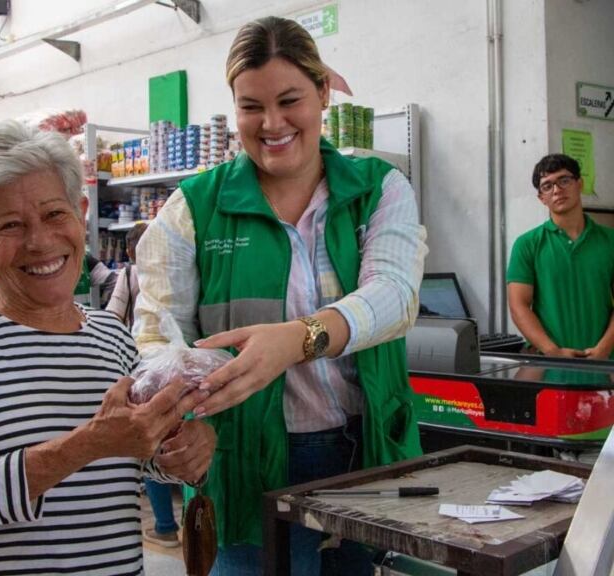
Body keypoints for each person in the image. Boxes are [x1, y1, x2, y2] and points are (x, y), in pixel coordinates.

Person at [134, 16, 427, 576]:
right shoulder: (193, 208)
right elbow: (157, 334)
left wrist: (298, 339)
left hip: (365, 454)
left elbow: (393, 294)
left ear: (323, 93)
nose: (272, 124)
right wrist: (178, 419)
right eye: (251, 107)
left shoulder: (378, 189)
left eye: (290, 100)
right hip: (245, 460)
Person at [0, 120, 216, 575]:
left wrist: (181, 453)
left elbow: (132, 461)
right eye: (10, 225)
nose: (40, 241)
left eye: (54, 215)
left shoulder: (111, 335)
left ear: (80, 213)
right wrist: (85, 444)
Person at [106, 222, 181, 548]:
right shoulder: (177, 269)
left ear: (129, 251)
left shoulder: (129, 274)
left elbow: (112, 318)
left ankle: (165, 525)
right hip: (179, 369)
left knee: (149, 441)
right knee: (173, 440)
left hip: (142, 370)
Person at [507, 153, 614, 360]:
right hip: (550, 365)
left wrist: (603, 349)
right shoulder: (527, 244)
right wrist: (553, 351)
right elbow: (518, 305)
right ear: (541, 198)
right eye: (547, 186)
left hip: (606, 364)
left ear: (579, 184)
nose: (557, 190)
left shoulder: (610, 240)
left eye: (564, 180)